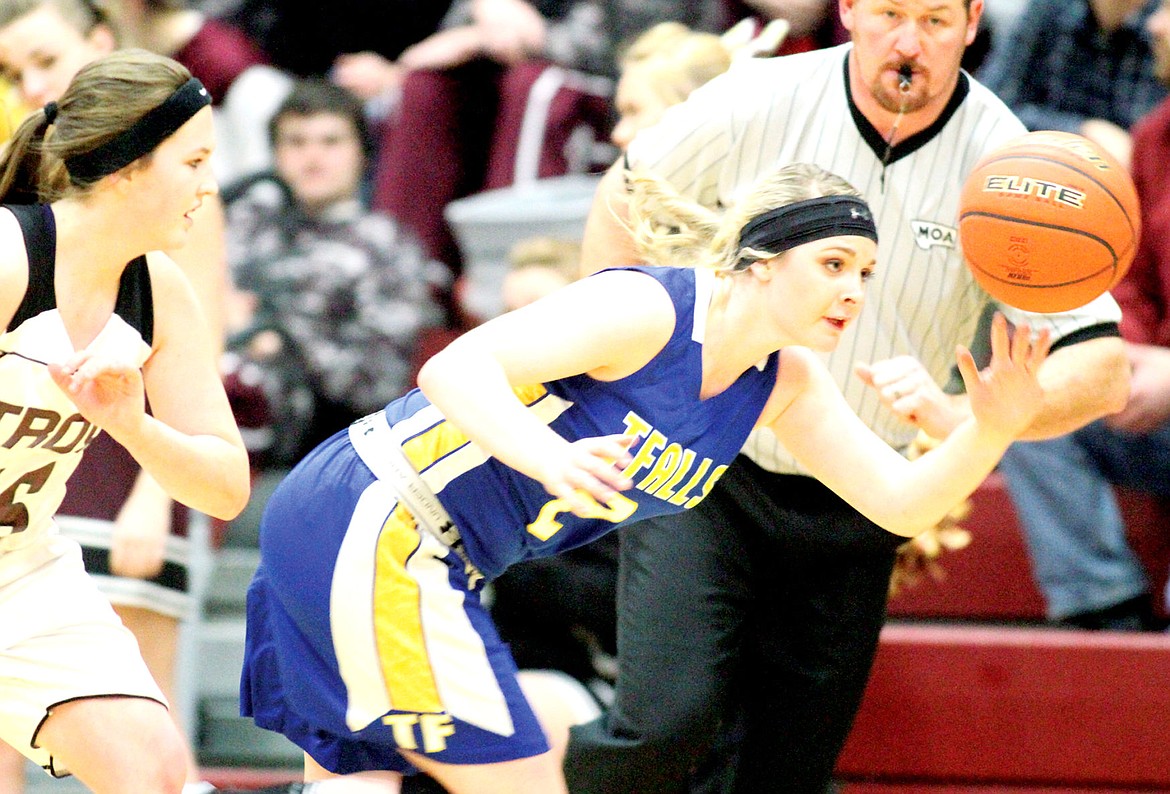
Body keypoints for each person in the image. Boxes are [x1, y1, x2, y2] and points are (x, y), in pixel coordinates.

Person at [237, 158, 1052, 794]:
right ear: (762, 262)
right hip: (380, 513)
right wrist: (547, 454)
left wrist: (994, 426)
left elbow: (900, 501)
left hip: (420, 547)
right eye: (836, 263)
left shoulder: (785, 381)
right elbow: (456, 369)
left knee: (364, 778)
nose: (854, 292)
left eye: (866, 274)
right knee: (518, 779)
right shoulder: (648, 311)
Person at [561, 1, 1131, 792]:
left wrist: (975, 416)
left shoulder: (1009, 165)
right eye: (890, 13)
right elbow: (626, 201)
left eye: (934, 21)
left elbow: (1103, 368)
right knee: (666, 722)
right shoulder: (757, 97)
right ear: (849, 12)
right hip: (708, 465)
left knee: (787, 771)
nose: (907, 42)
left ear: (972, 24)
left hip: (860, 487)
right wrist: (630, 377)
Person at [0, 47, 249, 794]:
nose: (210, 186)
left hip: (21, 571)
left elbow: (226, 486)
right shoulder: (11, 256)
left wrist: (135, 426)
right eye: (195, 161)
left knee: (153, 767)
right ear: (126, 165)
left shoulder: (156, 292)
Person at [987, 0, 1170, 632]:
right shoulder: (1156, 136)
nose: (1154, 25)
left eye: (1169, 10)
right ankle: (1103, 602)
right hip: (1156, 394)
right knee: (1026, 398)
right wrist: (1127, 354)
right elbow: (1135, 278)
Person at [220, 77, 450, 471]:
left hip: (319, 447)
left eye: (330, 142)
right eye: (296, 142)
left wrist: (276, 338)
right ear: (275, 153)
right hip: (215, 408)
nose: (312, 156)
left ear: (362, 154)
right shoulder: (241, 224)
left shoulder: (387, 247)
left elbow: (377, 386)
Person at [978, 0, 1167, 170]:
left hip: (1128, 184)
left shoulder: (1162, 28)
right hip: (1037, 168)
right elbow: (989, 107)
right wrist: (1083, 132)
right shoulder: (1049, 9)